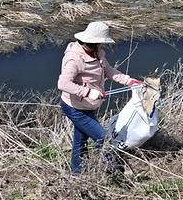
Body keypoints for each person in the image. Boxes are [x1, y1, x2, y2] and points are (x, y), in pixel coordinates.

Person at [57, 21, 142, 174]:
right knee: (103, 138)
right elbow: (63, 83)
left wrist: (129, 81)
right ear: (95, 42)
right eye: (102, 43)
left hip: (88, 106)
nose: (103, 45)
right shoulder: (74, 59)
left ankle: (77, 172)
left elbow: (108, 71)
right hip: (75, 108)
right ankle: (112, 170)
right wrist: (88, 92)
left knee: (80, 140)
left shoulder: (97, 53)